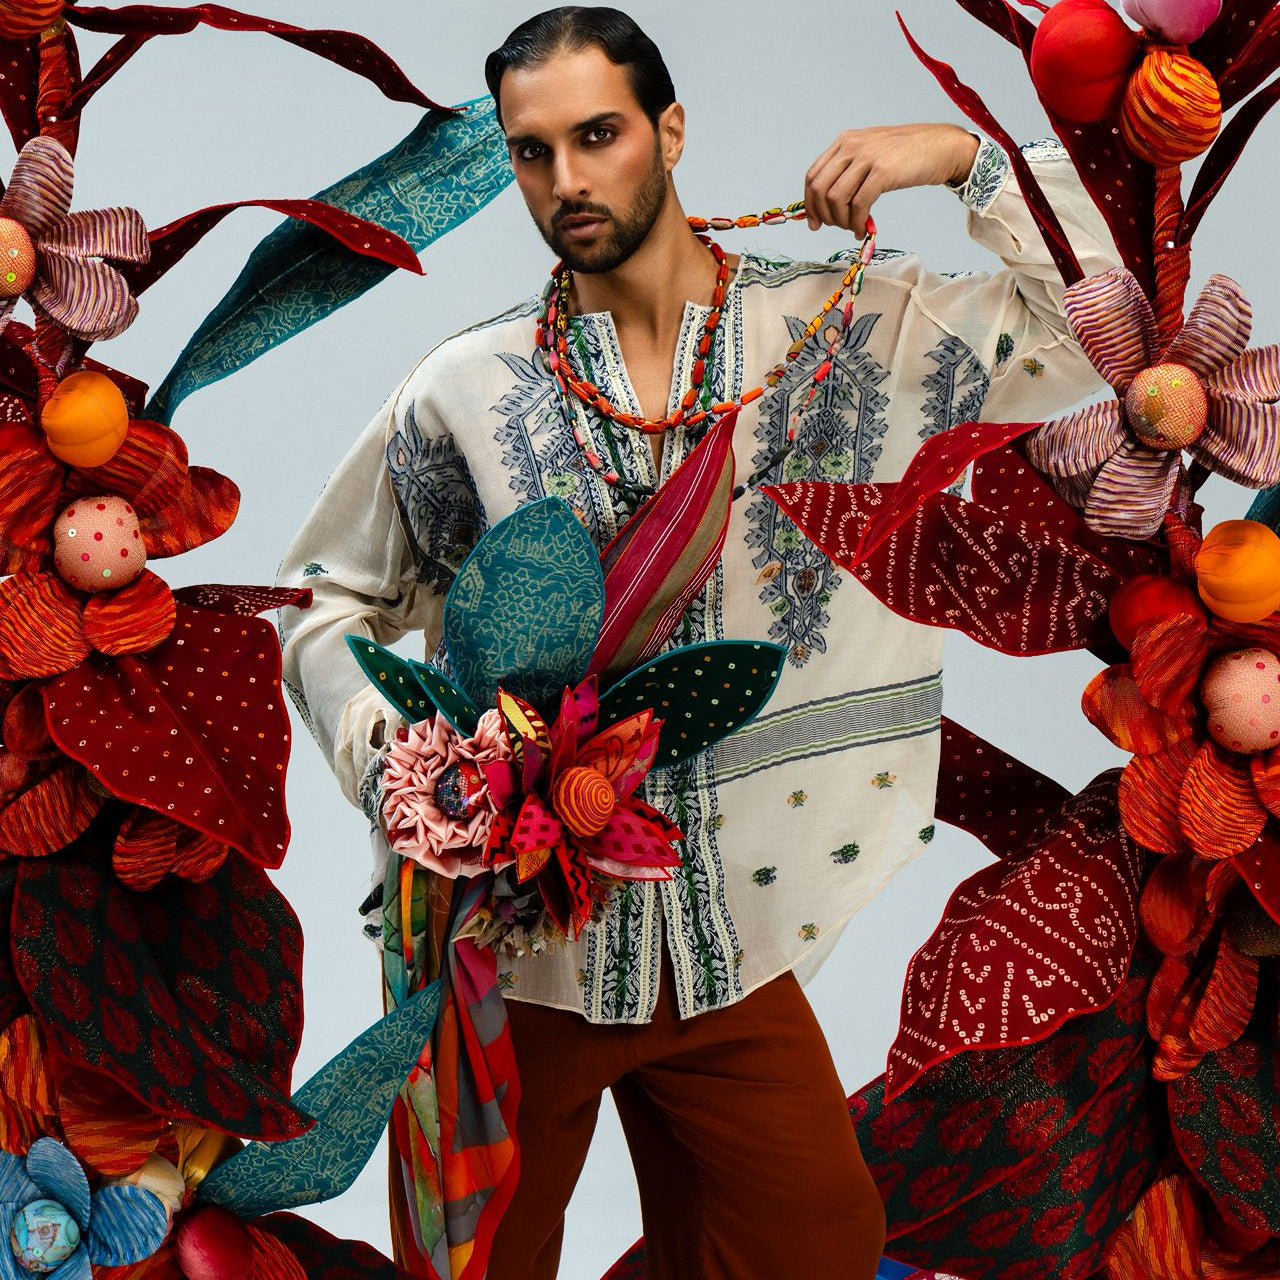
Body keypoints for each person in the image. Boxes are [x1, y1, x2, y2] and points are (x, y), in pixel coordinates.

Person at [277, 7, 1117, 1278]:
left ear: (669, 131)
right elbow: (325, 597)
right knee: (473, 1268)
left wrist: (962, 160)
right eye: (531, 150)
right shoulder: (468, 385)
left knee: (817, 1243)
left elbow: (1097, 327)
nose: (565, 180)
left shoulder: (850, 330)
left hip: (726, 946)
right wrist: (408, 763)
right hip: (514, 967)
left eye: (599, 134)